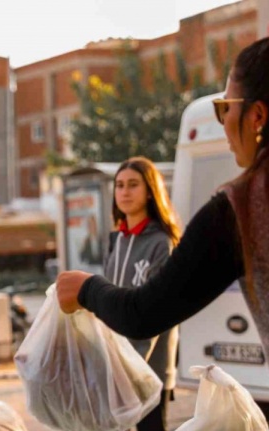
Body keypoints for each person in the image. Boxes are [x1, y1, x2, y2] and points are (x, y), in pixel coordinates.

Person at [57, 37, 269, 390]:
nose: (223, 122)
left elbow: (144, 313)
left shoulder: (244, 207)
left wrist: (86, 289)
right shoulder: (119, 239)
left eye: (226, 108)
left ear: (257, 116)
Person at [105, 157, 181, 431]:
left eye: (133, 185)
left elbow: (156, 311)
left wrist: (130, 368)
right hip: (116, 367)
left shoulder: (162, 243)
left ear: (150, 190)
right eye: (120, 185)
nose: (124, 192)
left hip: (148, 371)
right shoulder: (117, 240)